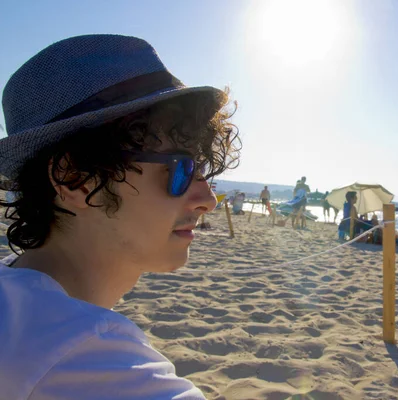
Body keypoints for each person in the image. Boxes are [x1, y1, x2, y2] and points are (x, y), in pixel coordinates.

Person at [0, 34, 241, 399]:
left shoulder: (13, 295)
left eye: (203, 167)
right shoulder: (79, 358)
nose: (207, 199)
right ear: (75, 178)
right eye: (180, 168)